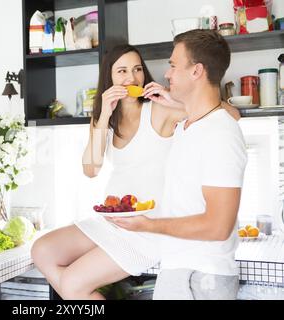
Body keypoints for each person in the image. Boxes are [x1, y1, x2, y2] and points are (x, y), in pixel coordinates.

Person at [31, 43, 240, 300]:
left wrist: (174, 100)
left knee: (73, 285)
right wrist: (103, 115)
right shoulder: (105, 120)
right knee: (42, 250)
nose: (131, 78)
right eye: (121, 71)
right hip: (114, 220)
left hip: (147, 228)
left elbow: (230, 114)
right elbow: (91, 169)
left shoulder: (161, 108)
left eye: (137, 69)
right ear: (108, 78)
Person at [107, 30, 248, 300]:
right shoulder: (188, 126)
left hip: (201, 277)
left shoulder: (221, 134)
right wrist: (175, 102)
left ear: (196, 71)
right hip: (179, 270)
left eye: (173, 65)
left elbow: (218, 226)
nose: (167, 74)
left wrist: (147, 225)